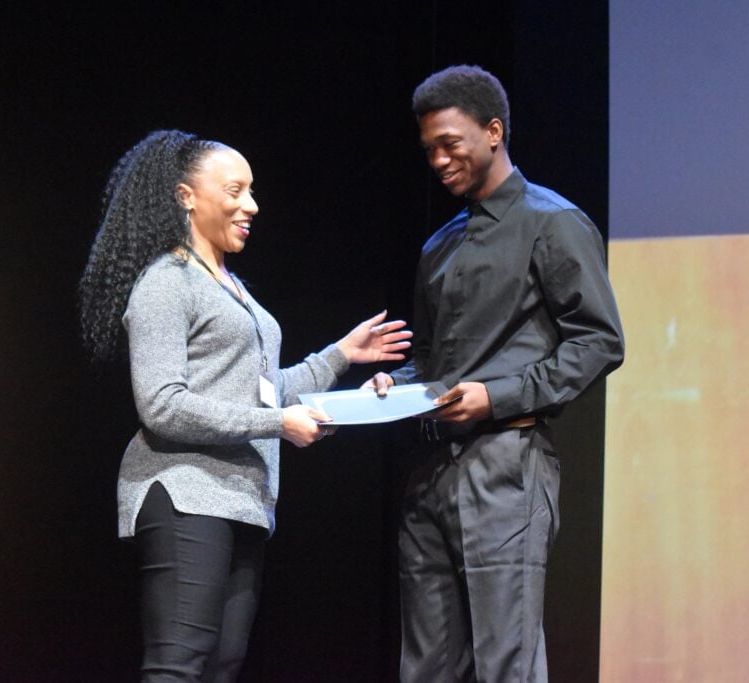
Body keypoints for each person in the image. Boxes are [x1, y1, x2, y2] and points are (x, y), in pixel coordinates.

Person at [78, 129, 411, 682]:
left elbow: (258, 390)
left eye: (252, 191)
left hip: (243, 500)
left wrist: (340, 358)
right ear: (187, 196)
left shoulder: (233, 287)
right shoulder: (168, 282)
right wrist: (279, 423)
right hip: (184, 491)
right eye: (235, 190)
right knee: (178, 667)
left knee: (222, 667)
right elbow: (162, 405)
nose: (251, 205)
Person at [365, 66, 625, 682]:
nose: (437, 159)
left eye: (449, 144)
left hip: (506, 465)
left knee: (505, 661)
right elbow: (429, 361)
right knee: (425, 665)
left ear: (493, 132)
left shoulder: (552, 222)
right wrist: (394, 388)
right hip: (428, 473)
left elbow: (599, 341)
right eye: (428, 148)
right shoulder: (440, 245)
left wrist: (497, 397)